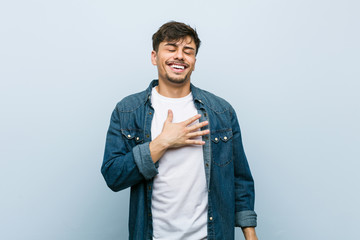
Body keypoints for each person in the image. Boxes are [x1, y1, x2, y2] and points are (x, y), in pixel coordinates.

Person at [101, 21, 258, 240]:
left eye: (188, 51)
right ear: (155, 57)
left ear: (194, 61)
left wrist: (250, 234)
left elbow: (240, 178)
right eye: (171, 48)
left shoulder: (221, 111)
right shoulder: (128, 110)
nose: (180, 56)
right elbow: (113, 176)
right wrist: (162, 142)